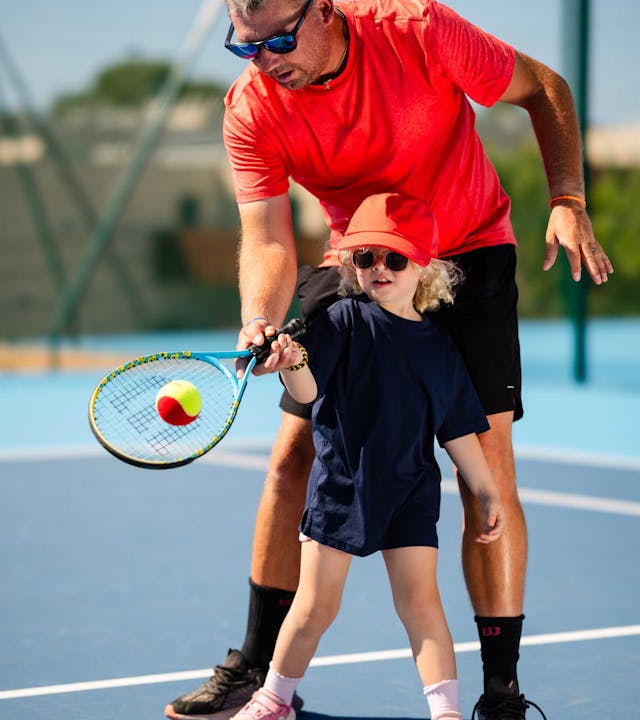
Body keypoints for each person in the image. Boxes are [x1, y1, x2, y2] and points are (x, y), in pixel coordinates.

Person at [164, 1, 614, 719]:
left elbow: (544, 87)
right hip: (360, 258)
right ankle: (257, 667)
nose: (266, 60)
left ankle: (501, 693)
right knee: (292, 455)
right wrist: (259, 318)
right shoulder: (252, 107)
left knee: (486, 467)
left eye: (280, 40)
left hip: (468, 247)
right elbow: (269, 238)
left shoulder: (419, 30)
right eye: (246, 47)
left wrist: (568, 197)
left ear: (324, 11)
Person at [229, 192, 506, 720]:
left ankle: (446, 712)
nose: (379, 267)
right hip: (342, 489)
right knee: (315, 606)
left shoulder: (442, 347)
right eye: (365, 256)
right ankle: (273, 700)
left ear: (424, 266)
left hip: (411, 494)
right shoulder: (341, 321)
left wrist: (486, 489)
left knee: (422, 606)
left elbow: (456, 428)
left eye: (395, 258)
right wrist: (291, 363)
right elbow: (309, 390)